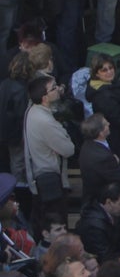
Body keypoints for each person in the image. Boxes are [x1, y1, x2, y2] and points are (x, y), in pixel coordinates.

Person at [24, 76, 73, 225]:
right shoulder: (45, 122)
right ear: (44, 97)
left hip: (39, 176)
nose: (58, 89)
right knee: (55, 223)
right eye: (53, 88)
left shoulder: (31, 111)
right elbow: (68, 149)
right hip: (50, 179)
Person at [77, 114, 120, 204]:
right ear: (100, 132)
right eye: (105, 124)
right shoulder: (102, 157)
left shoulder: (89, 144)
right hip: (102, 203)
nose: (109, 124)